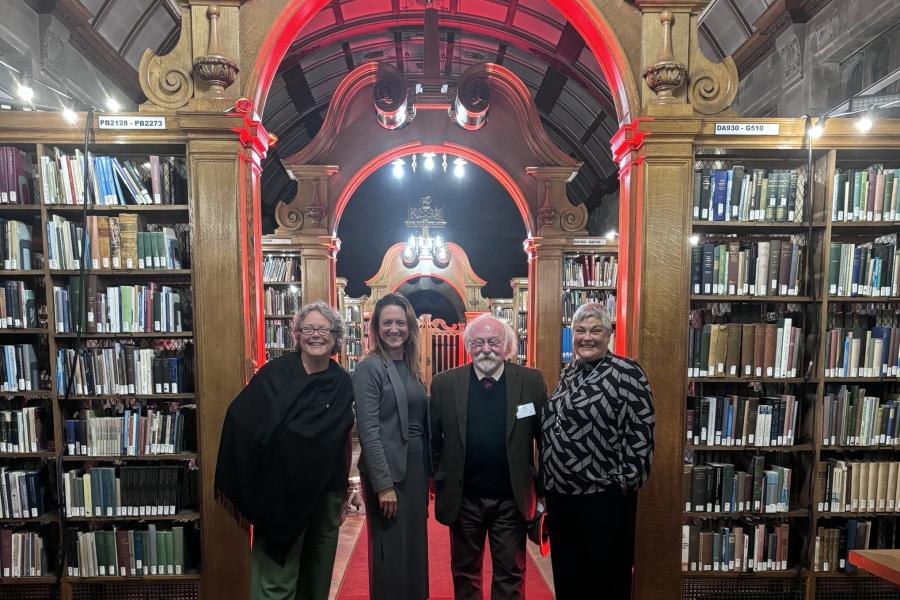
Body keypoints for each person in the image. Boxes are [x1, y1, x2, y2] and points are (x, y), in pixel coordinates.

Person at [215, 301, 354, 600]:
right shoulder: (274, 375)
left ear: (335, 336)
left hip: (325, 494)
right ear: (297, 334)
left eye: (323, 329)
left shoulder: (342, 383)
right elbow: (239, 419)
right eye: (308, 328)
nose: (316, 335)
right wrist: (259, 479)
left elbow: (341, 440)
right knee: (276, 581)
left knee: (317, 577)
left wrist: (344, 491)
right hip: (280, 497)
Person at [540, 302, 654, 600]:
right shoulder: (570, 372)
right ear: (572, 334)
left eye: (595, 330)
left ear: (609, 334)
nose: (586, 337)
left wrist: (620, 484)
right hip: (561, 495)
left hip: (602, 497)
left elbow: (641, 432)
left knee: (604, 578)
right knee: (568, 574)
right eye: (580, 331)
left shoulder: (627, 372)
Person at [430, 314, 546, 600]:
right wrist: (440, 478)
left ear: (506, 345)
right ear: (468, 345)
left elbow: (545, 439)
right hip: (463, 498)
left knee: (511, 573)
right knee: (465, 573)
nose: (485, 348)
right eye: (478, 342)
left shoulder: (531, 381)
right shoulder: (445, 384)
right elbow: (432, 440)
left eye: (493, 341)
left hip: (512, 498)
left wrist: (544, 492)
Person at [353, 293, 429, 600]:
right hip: (388, 473)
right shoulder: (369, 368)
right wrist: (383, 485)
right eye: (387, 323)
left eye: (400, 322)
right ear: (376, 327)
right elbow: (368, 430)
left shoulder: (411, 366)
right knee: (390, 553)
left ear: (410, 327)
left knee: (414, 548)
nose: (394, 329)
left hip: (414, 470)